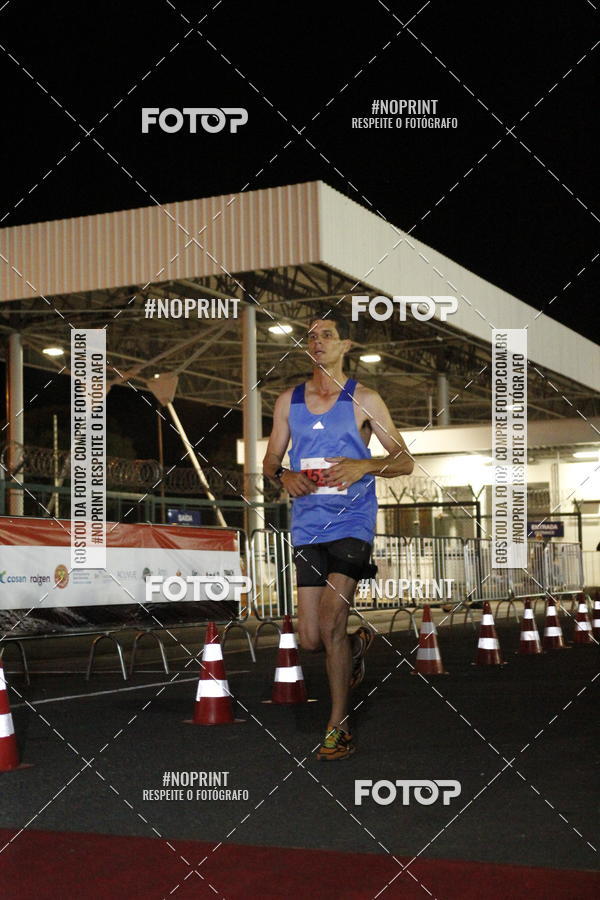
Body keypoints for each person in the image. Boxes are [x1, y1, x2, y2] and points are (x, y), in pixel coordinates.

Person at [263, 313, 414, 759]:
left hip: (352, 520)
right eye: (311, 336)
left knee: (330, 621)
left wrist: (362, 465)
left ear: (346, 345)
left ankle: (338, 725)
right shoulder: (287, 400)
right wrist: (284, 475)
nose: (317, 341)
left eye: (326, 335)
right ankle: (354, 647)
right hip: (308, 523)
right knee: (310, 637)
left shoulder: (365, 399)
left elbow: (403, 459)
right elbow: (271, 458)